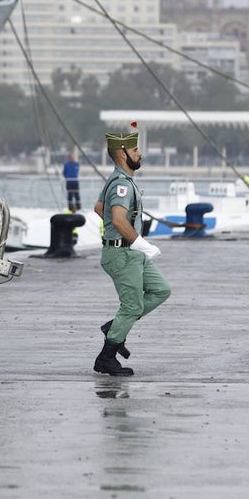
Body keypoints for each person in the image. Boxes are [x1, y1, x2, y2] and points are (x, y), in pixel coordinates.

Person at [92, 125, 170, 376]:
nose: (140, 153)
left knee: (161, 290)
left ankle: (114, 327)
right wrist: (139, 242)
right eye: (135, 150)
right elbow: (117, 219)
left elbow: (99, 208)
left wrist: (130, 240)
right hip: (123, 254)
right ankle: (106, 358)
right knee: (132, 307)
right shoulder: (121, 185)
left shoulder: (119, 180)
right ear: (122, 153)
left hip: (131, 252)